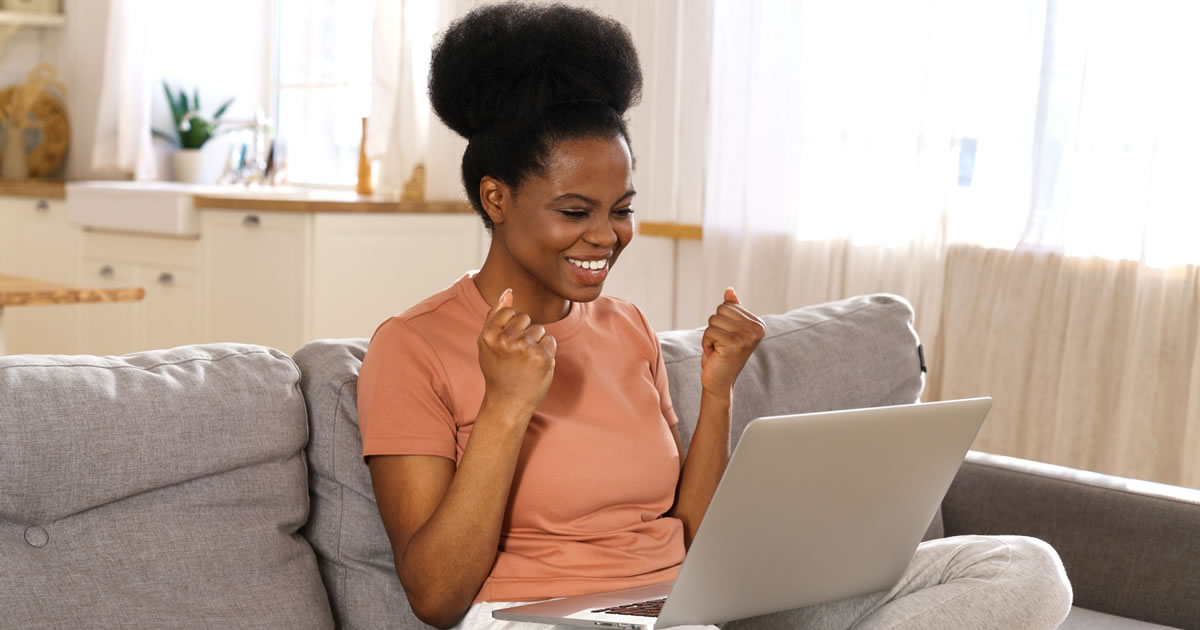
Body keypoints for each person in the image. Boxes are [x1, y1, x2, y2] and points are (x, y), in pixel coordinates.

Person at [357, 4, 1073, 629]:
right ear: (496, 198)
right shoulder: (414, 346)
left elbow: (694, 541)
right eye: (575, 212)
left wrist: (719, 389)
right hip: (540, 619)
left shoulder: (625, 326)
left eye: (622, 210)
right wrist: (507, 407)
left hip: (684, 609)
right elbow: (435, 595)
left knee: (1023, 565)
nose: (606, 237)